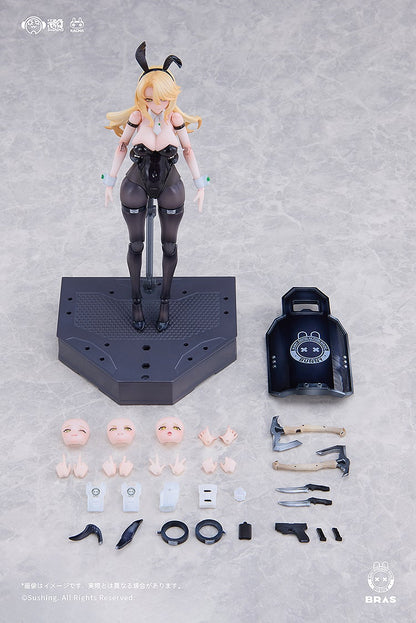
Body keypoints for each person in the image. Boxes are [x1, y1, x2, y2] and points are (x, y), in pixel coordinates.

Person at [103, 41, 208, 331]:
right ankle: (136, 302)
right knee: (136, 244)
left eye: (161, 99)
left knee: (169, 246)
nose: (156, 104)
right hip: (135, 183)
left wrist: (200, 185)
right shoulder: (138, 117)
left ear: (170, 96)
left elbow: (188, 150)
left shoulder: (175, 119)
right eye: (149, 99)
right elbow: (121, 146)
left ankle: (165, 303)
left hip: (170, 184)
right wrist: (109, 181)